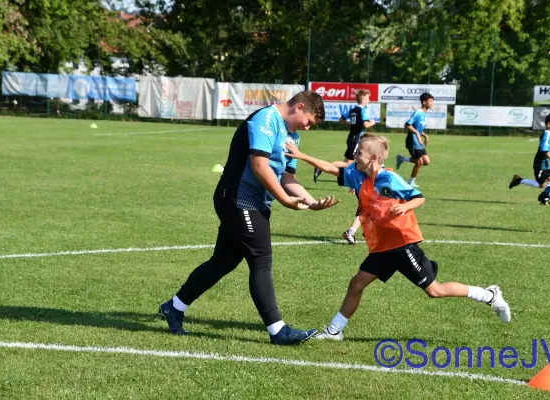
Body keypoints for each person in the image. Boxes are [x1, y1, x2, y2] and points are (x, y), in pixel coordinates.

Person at [285, 133, 511, 341]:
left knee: (435, 290)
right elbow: (330, 168)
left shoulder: (390, 179)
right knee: (357, 283)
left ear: (373, 157)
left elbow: (419, 197)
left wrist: (404, 208)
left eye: (358, 153)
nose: (354, 156)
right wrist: (301, 155)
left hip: (402, 244)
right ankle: (335, 330)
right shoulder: (357, 175)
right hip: (382, 246)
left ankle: (489, 295)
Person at [158, 90, 340, 345]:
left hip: (255, 202)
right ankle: (278, 331)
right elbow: (259, 166)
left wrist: (311, 202)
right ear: (299, 107)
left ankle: (174, 307)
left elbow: (287, 178)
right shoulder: (265, 119)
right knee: (261, 258)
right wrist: (284, 200)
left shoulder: (292, 136)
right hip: (237, 198)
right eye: (309, 121)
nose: (307, 128)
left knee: (223, 261)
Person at [314, 89, 375, 244]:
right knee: (350, 164)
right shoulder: (362, 110)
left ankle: (363, 230)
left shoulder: (352, 109)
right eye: (368, 97)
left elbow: (342, 119)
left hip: (352, 137)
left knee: (349, 163)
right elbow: (366, 123)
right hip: (358, 140)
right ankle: (322, 167)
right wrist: (372, 122)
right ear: (363, 98)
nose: (369, 99)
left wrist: (351, 125)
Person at [509, 113, 550, 204]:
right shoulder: (547, 134)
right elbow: (544, 150)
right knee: (541, 185)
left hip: (545, 163)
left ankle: (544, 199)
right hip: (540, 164)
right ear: (548, 124)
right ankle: (518, 180)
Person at [395, 93, 433, 188]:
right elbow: (407, 124)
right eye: (430, 101)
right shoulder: (418, 113)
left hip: (418, 141)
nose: (432, 103)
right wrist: (416, 133)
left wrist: (425, 135)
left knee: (426, 162)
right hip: (412, 141)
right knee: (419, 162)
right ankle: (410, 182)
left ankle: (401, 158)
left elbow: (418, 128)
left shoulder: (424, 114)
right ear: (424, 102)